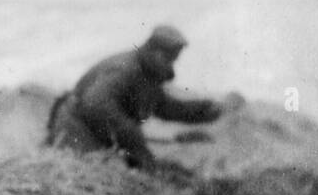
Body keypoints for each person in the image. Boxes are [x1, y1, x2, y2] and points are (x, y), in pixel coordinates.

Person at [45, 24, 225, 171]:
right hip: (76, 127)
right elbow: (95, 103)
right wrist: (130, 135)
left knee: (145, 169)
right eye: (168, 58)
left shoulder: (147, 74)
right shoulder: (125, 69)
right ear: (154, 51)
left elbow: (164, 107)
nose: (171, 65)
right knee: (94, 176)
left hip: (96, 130)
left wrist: (206, 111)